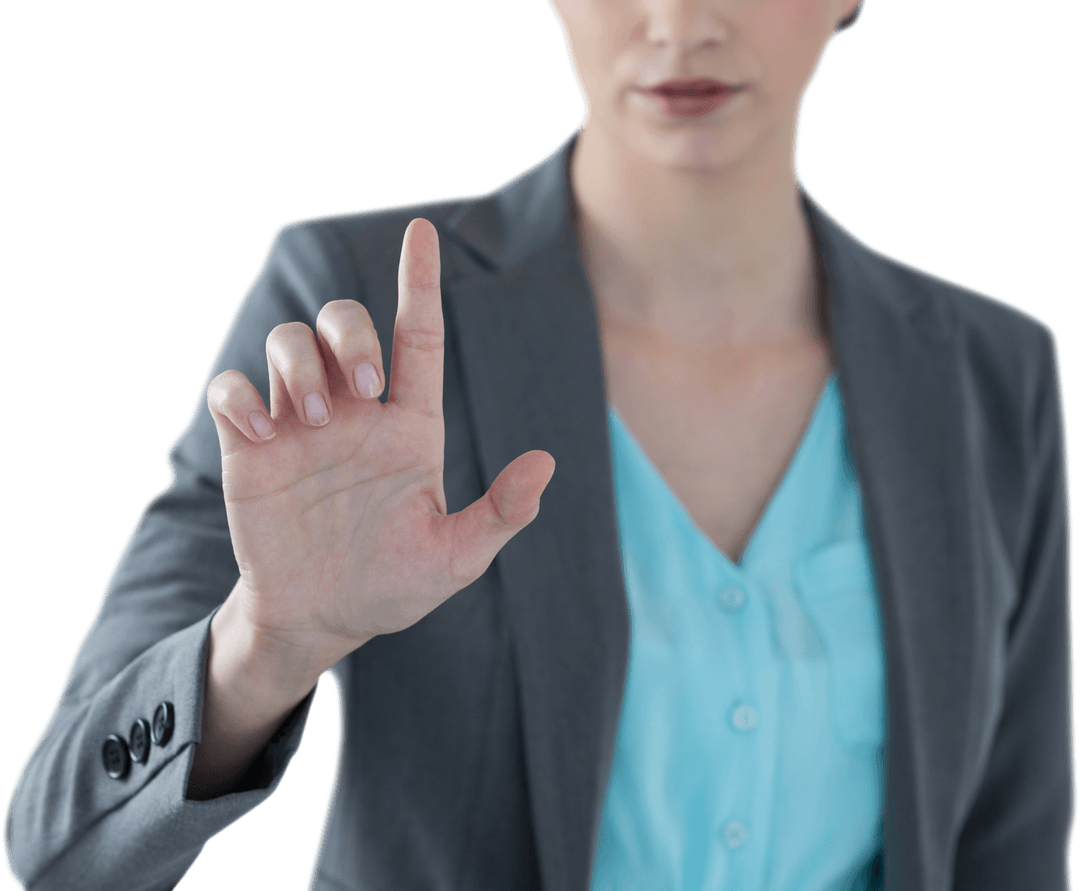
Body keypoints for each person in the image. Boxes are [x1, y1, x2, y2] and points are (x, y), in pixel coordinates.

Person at [4, 0, 1075, 888]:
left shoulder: (991, 376)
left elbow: (1013, 851)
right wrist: (266, 644)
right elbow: (55, 853)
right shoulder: (356, 311)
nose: (680, 21)